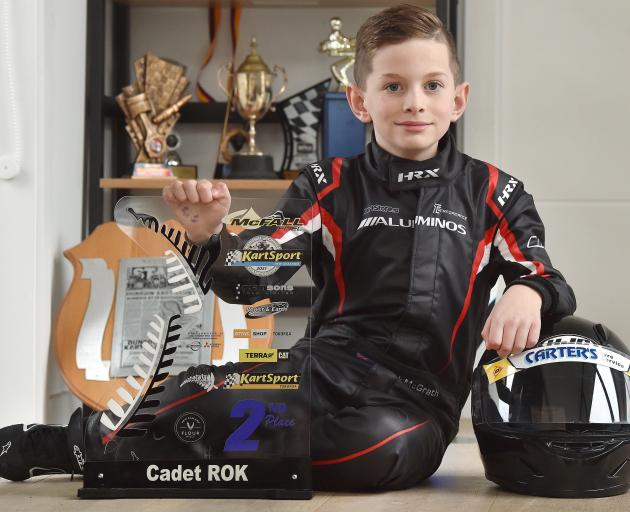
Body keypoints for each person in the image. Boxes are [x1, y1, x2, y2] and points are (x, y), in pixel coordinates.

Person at [0, 4, 575, 490]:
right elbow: (256, 278)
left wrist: (527, 290)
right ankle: (74, 442)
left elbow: (551, 279)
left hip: (412, 405)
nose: (414, 102)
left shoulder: (495, 191)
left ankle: (154, 454)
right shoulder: (326, 183)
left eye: (432, 86)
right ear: (359, 101)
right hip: (312, 371)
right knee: (189, 392)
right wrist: (212, 236)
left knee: (381, 452)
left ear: (459, 99)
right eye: (393, 86)